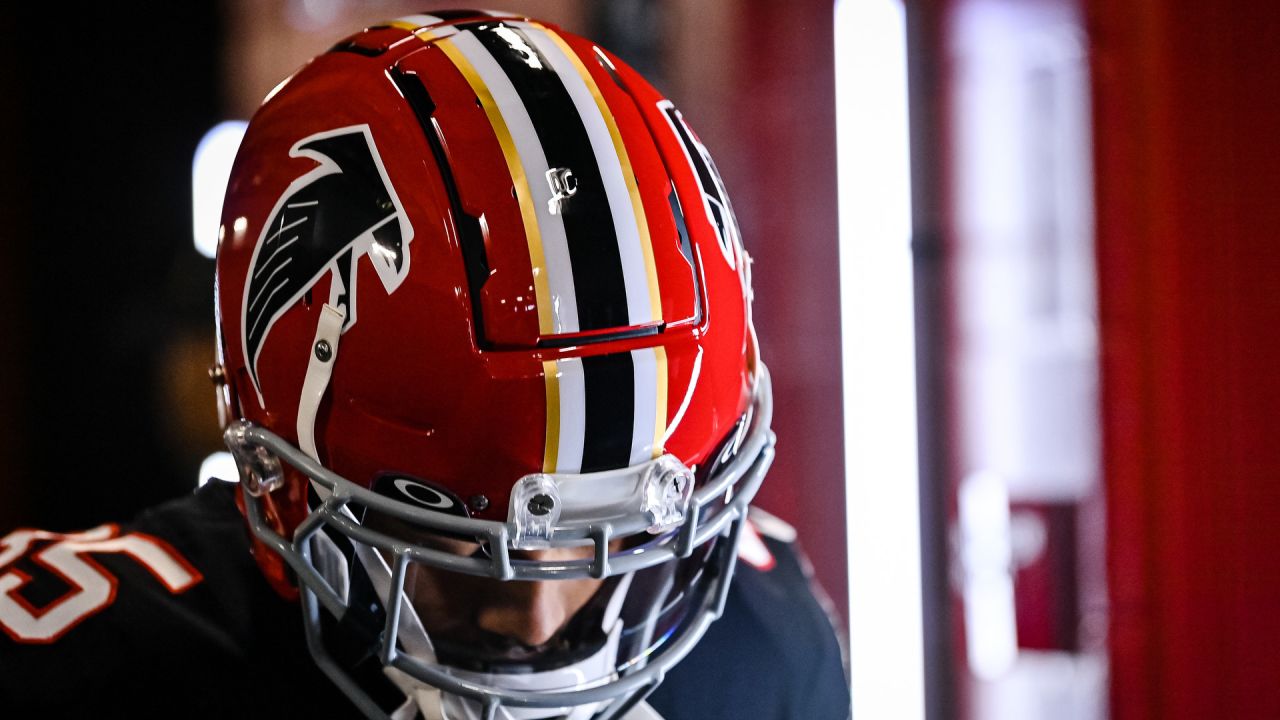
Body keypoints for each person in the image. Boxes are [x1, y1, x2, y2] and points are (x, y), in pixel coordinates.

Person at [0, 11, 849, 719]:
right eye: (450, 543)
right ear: (280, 472)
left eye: (620, 535)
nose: (539, 622)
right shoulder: (94, 665)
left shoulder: (764, 646)